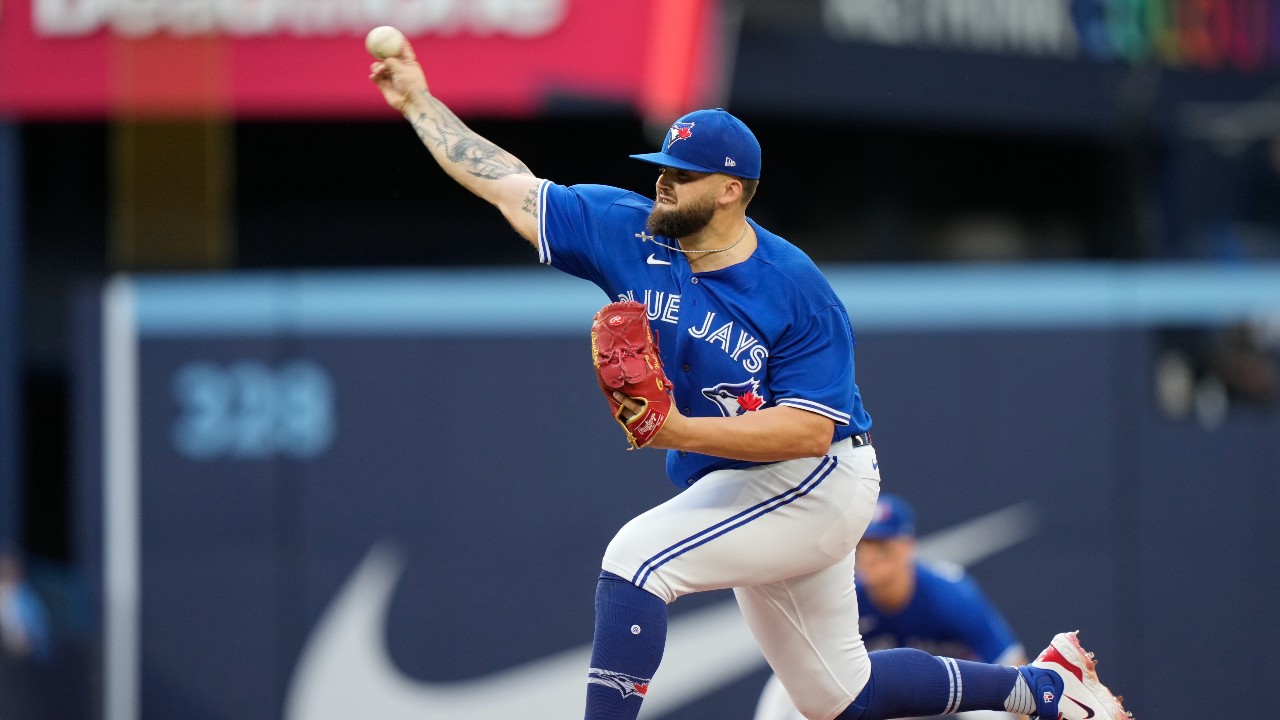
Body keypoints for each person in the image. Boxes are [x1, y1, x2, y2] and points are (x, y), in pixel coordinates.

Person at [368, 39, 1133, 720]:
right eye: (661, 169)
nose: (663, 184)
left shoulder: (793, 287)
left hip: (819, 477)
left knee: (636, 558)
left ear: (731, 189)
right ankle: (1045, 688)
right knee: (839, 695)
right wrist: (419, 102)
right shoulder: (628, 231)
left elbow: (810, 427)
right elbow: (506, 181)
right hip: (742, 485)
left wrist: (678, 431)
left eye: (683, 175)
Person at [754, 494, 1027, 720]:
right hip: (873, 690)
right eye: (864, 547)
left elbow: (1012, 666)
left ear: (907, 548)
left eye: (882, 547)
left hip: (945, 686)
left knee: (996, 706)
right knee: (789, 684)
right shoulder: (846, 593)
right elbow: (806, 662)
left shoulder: (949, 597)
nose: (870, 557)